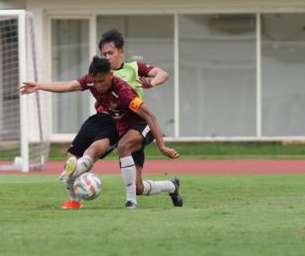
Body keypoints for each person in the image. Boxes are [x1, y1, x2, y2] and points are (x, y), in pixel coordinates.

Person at [19, 56, 183, 209]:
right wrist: (40, 86)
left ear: (111, 75)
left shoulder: (123, 91)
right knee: (139, 186)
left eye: (102, 81)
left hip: (141, 125)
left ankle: (131, 202)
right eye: (95, 81)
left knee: (123, 146)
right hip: (122, 129)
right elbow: (68, 85)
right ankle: (171, 186)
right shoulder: (91, 83)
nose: (98, 85)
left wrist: (162, 147)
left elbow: (150, 116)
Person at [56, 29, 170, 209]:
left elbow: (162, 73)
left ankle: (129, 199)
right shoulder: (99, 74)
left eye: (111, 53)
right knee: (138, 186)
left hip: (134, 123)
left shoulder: (134, 68)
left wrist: (152, 83)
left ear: (121, 52)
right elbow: (76, 87)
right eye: (104, 54)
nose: (107, 57)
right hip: (113, 122)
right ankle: (170, 185)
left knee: (124, 157)